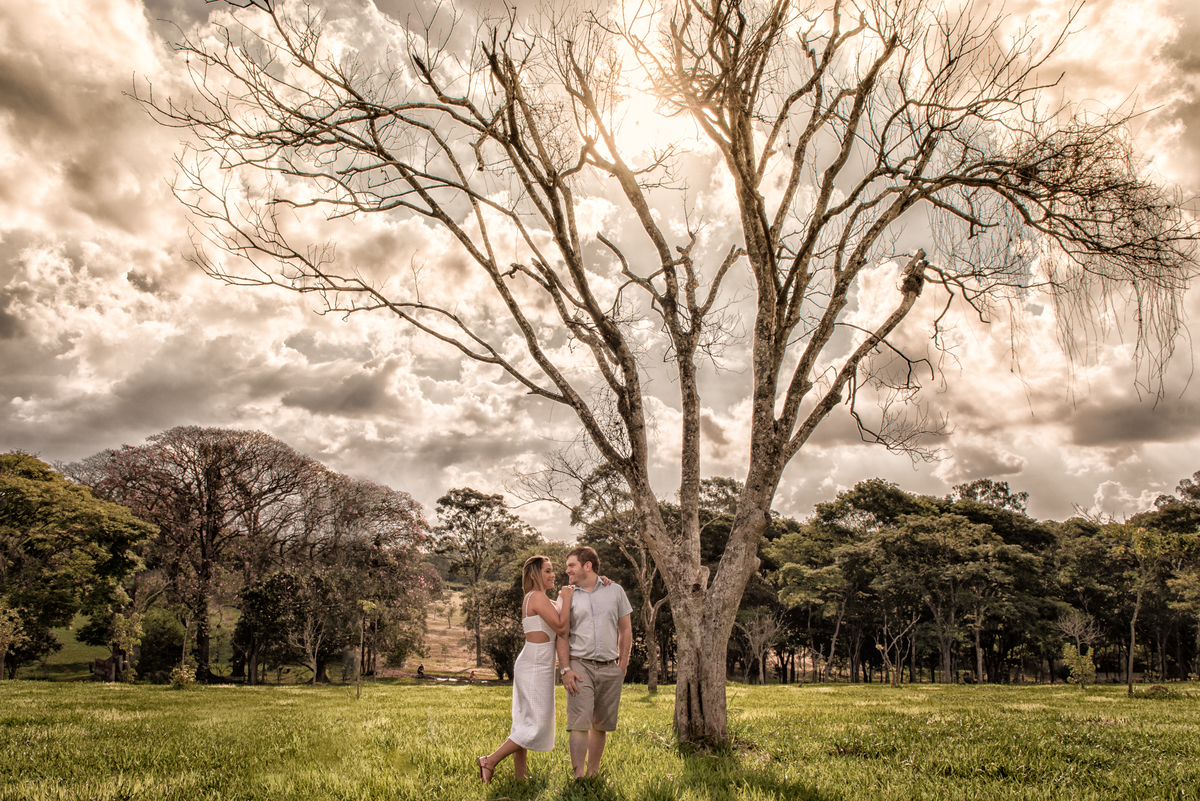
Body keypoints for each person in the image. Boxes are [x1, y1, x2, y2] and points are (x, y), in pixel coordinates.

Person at [477, 555, 573, 783]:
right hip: (534, 665)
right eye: (547, 571)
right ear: (533, 575)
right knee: (538, 724)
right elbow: (561, 628)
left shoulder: (543, 599)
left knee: (523, 722)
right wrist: (567, 599)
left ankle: (521, 777)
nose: (553, 575)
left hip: (537, 663)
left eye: (552, 570)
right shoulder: (536, 597)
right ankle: (489, 761)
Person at [557, 545, 632, 780]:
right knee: (579, 722)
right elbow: (562, 633)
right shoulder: (567, 595)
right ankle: (578, 776)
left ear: (587, 566)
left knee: (601, 724)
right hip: (579, 666)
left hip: (610, 666)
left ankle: (593, 773)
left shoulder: (615, 591)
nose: (567, 570)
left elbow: (625, 630)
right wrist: (565, 669)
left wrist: (622, 666)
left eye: (571, 565)